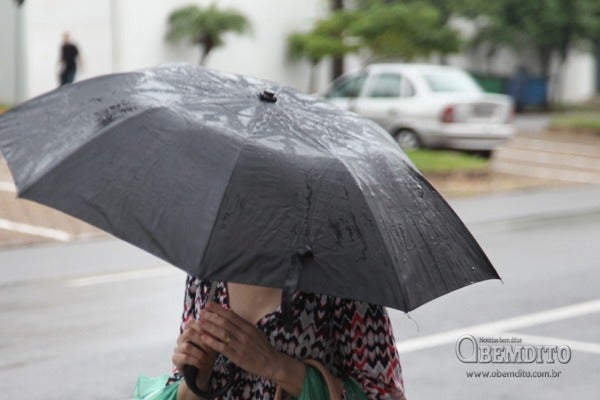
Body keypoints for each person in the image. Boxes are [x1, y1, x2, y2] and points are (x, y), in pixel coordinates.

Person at [169, 277, 406, 399]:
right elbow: (180, 384)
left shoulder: (343, 277)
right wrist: (195, 381)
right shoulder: (207, 276)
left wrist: (277, 366)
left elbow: (385, 395)